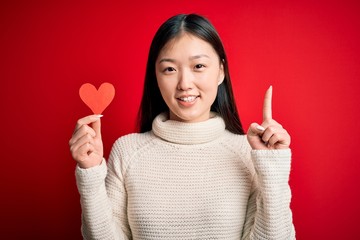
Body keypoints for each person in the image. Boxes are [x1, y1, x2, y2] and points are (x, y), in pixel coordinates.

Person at [69, 13, 295, 239]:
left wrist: (272, 168)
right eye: (169, 69)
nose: (184, 84)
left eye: (198, 66)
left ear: (220, 72)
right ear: (155, 76)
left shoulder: (249, 153)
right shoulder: (127, 151)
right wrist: (90, 175)